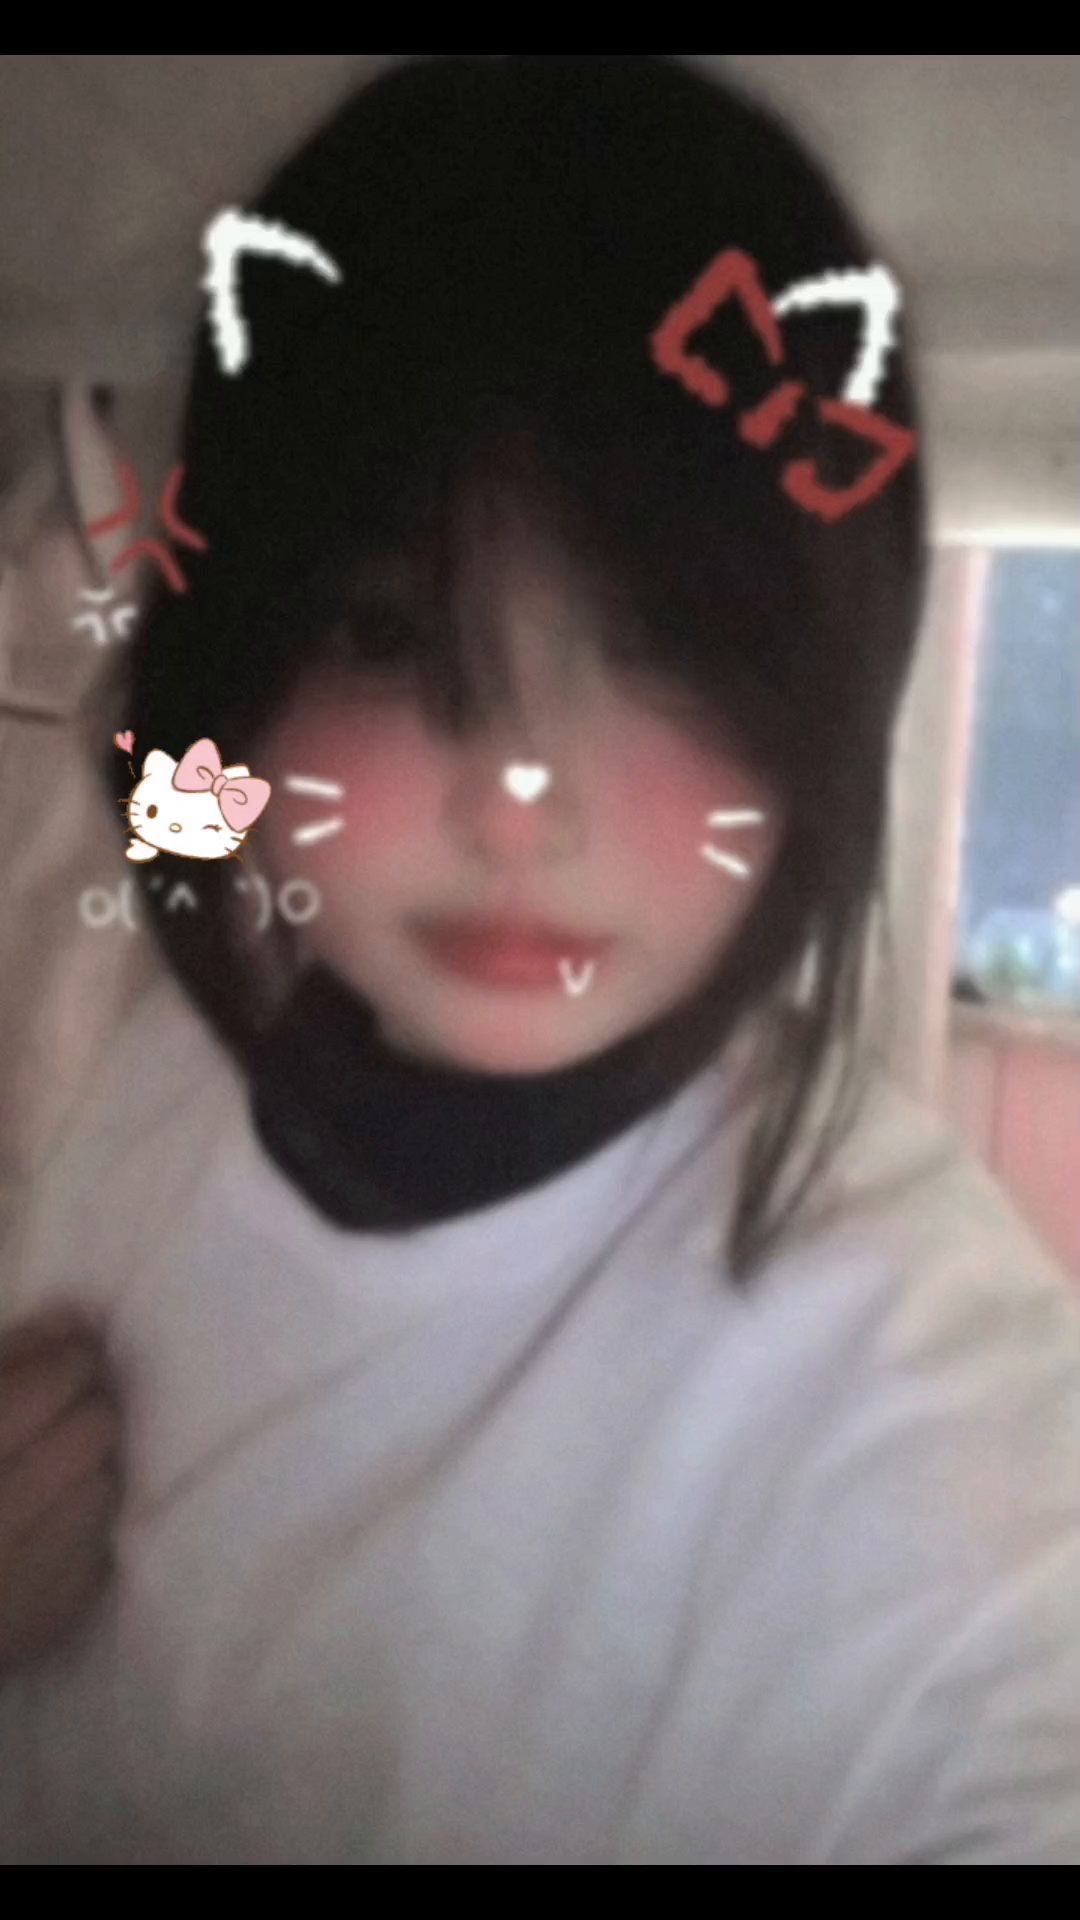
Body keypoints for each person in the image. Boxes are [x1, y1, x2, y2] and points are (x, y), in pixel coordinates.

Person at [1, 55, 1078, 1867]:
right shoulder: (156, 1067)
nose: (521, 799)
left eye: (666, 644)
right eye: (387, 627)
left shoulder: (931, 1423)